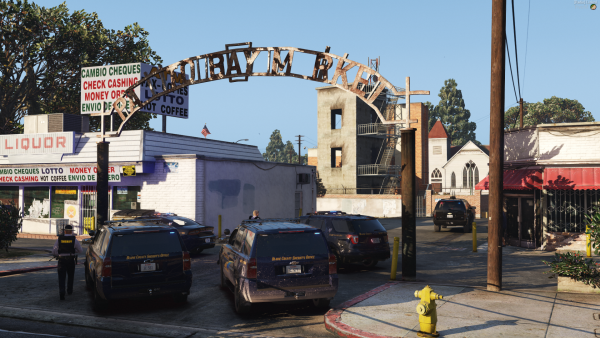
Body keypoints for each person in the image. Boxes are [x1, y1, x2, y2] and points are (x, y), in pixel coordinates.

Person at [52, 225, 83, 300]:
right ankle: (69, 290)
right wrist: (72, 251)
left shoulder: (59, 239)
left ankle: (62, 292)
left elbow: (54, 251)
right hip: (70, 260)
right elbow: (80, 251)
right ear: (71, 231)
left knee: (61, 277)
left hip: (62, 260)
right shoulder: (74, 240)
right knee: (70, 276)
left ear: (64, 231)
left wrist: (59, 253)